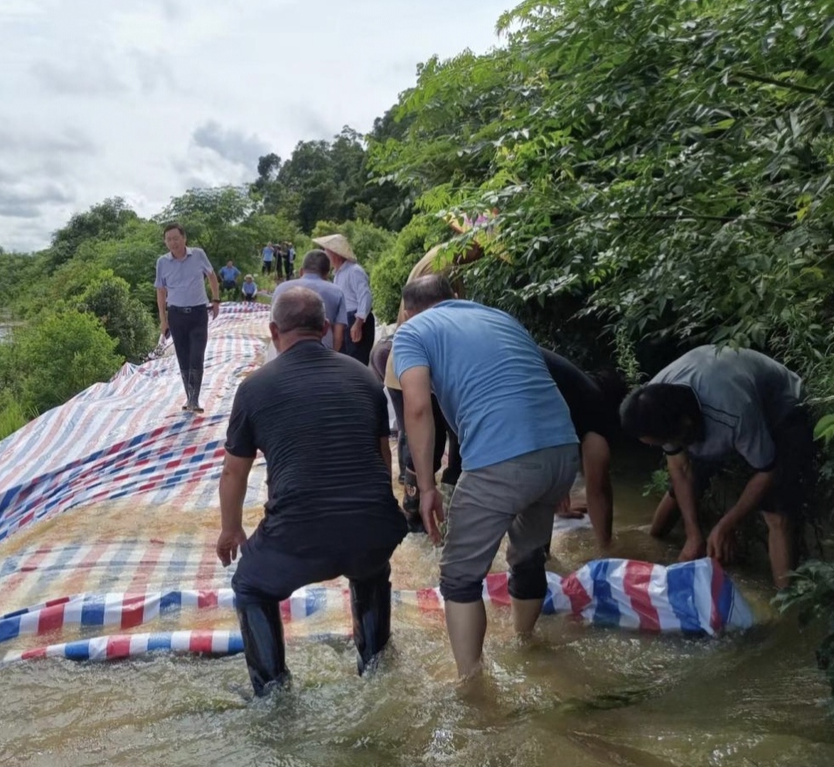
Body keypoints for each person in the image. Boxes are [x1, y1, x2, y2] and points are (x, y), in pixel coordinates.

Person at [216, 287, 407, 696]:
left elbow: (234, 473)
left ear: (273, 331)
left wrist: (230, 530)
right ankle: (375, 666)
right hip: (372, 527)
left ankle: (273, 692)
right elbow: (382, 458)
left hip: (297, 535)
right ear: (324, 328)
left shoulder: (254, 388)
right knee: (371, 569)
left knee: (250, 585)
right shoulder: (364, 377)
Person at [391, 274, 579, 679]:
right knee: (528, 554)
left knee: (459, 576)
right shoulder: (500, 318)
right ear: (454, 298)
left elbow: (418, 409)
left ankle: (471, 687)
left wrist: (426, 487)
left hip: (502, 459)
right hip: (563, 449)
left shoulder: (412, 332)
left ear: (407, 310)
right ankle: (525, 646)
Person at [619, 345, 814, 588]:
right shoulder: (653, 401)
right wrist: (693, 535)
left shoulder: (732, 413)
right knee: (680, 492)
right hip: (709, 408)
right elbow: (680, 469)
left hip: (782, 410)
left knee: (776, 514)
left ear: (684, 426)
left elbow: (767, 471)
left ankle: (786, 604)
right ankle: (656, 540)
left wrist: (726, 525)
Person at [382, 242, 481, 530]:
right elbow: (418, 411)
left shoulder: (448, 264)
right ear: (471, 244)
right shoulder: (443, 265)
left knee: (446, 439)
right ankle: (414, 511)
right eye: (479, 252)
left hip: (426, 367)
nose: (480, 258)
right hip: (413, 369)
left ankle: (445, 499)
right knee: (427, 443)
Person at [540, 347, 623, 549]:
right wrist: (607, 548)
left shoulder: (574, 390)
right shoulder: (595, 409)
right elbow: (599, 488)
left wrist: (559, 494)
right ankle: (538, 560)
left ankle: (537, 560)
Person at [154, 223, 221, 413]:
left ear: (184, 238)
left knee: (197, 355)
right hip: (176, 315)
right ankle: (190, 398)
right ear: (165, 242)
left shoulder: (198, 254)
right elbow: (160, 291)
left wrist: (216, 300)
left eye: (176, 238)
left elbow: (211, 276)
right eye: (169, 240)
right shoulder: (162, 262)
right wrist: (163, 319)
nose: (173, 243)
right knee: (183, 357)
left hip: (199, 313)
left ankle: (195, 399)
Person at [313, 234, 374, 365]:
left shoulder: (354, 271)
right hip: (346, 319)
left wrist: (359, 322)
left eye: (327, 251)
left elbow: (365, 296)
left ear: (336, 254)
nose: (325, 254)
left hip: (355, 318)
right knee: (345, 359)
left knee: (356, 360)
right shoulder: (338, 274)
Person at [271, 249, 347, 351]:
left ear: (301, 271)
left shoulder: (281, 289)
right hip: (322, 356)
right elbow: (338, 335)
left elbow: (273, 323)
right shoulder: (337, 292)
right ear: (327, 274)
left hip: (286, 354)